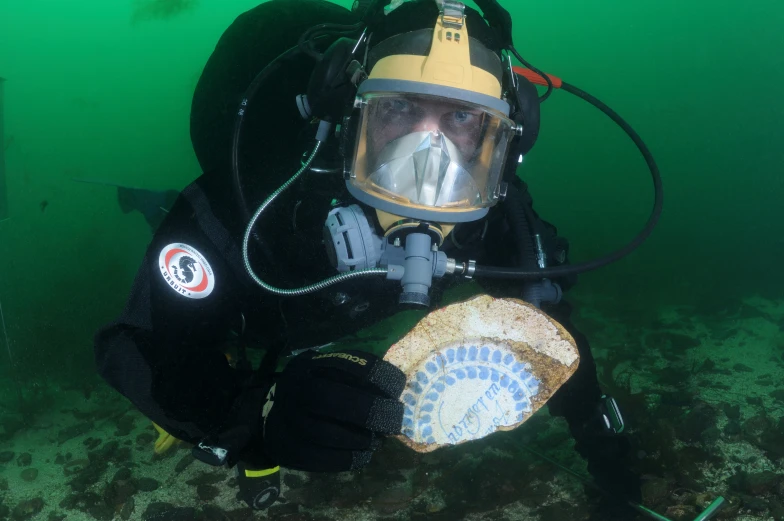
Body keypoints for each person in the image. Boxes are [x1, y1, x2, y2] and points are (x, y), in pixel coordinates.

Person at [95, 0, 649, 518]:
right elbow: (135, 345)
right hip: (264, 316)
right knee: (189, 257)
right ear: (349, 116)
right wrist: (254, 414)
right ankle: (152, 203)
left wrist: (605, 451)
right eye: (399, 108)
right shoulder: (258, 195)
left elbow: (546, 328)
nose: (426, 164)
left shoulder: (496, 214)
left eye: (460, 119)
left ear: (502, 139)